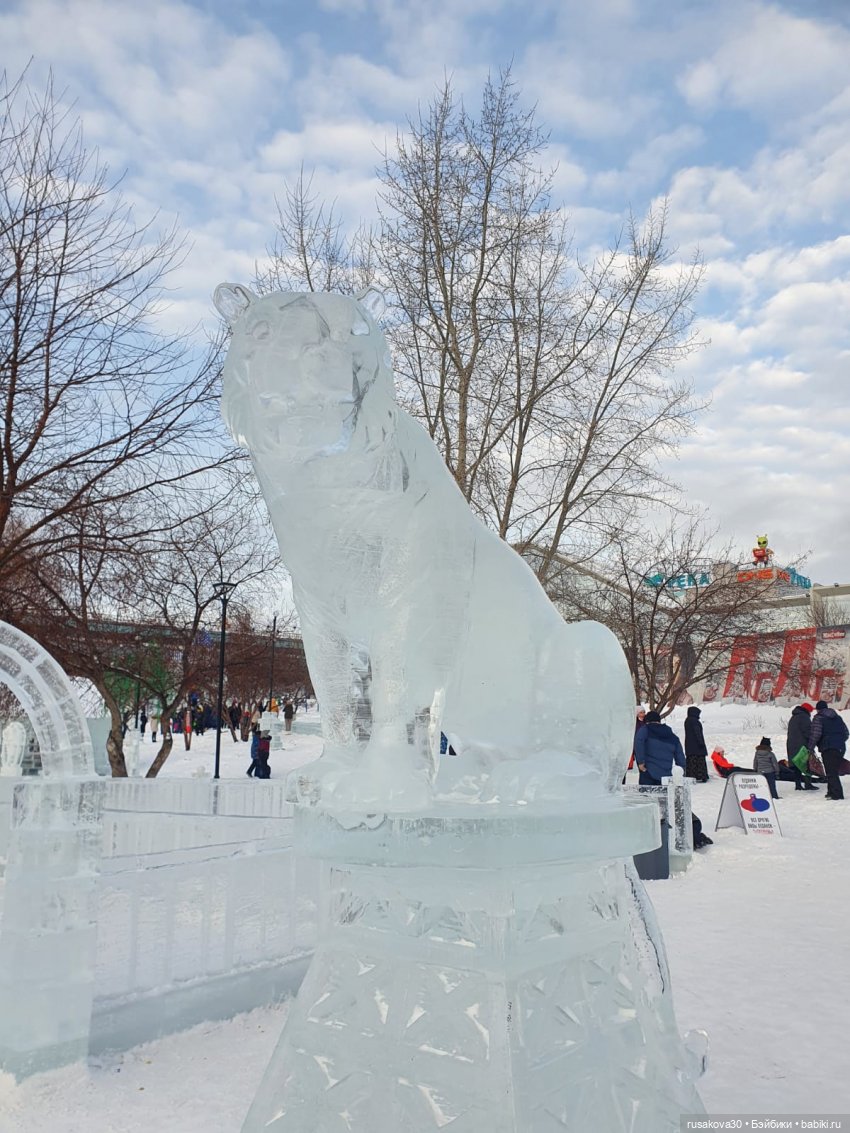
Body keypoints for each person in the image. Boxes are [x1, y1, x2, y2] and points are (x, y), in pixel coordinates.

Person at [810, 699, 848, 801]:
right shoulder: (838, 718)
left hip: (828, 747)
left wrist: (810, 747)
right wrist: (839, 741)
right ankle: (831, 792)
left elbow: (815, 734)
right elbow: (846, 733)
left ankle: (837, 794)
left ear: (818, 709)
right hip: (840, 747)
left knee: (831, 771)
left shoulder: (819, 718)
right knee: (833, 770)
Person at [634, 711, 685, 785]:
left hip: (648, 772)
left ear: (647, 721)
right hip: (666, 775)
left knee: (646, 792)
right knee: (664, 792)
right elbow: (679, 754)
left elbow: (638, 742)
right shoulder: (671, 734)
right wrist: (681, 769)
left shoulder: (645, 730)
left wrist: (640, 762)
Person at [786, 702, 818, 791]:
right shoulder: (804, 717)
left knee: (796, 765)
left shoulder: (793, 717)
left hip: (791, 745)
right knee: (807, 764)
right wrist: (812, 742)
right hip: (802, 746)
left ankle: (798, 785)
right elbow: (808, 732)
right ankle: (808, 784)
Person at [684, 706, 709, 782]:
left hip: (689, 746)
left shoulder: (687, 721)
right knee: (700, 761)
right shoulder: (695, 721)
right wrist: (701, 743)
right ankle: (702, 776)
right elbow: (697, 733)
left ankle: (691, 776)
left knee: (691, 761)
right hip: (697, 746)